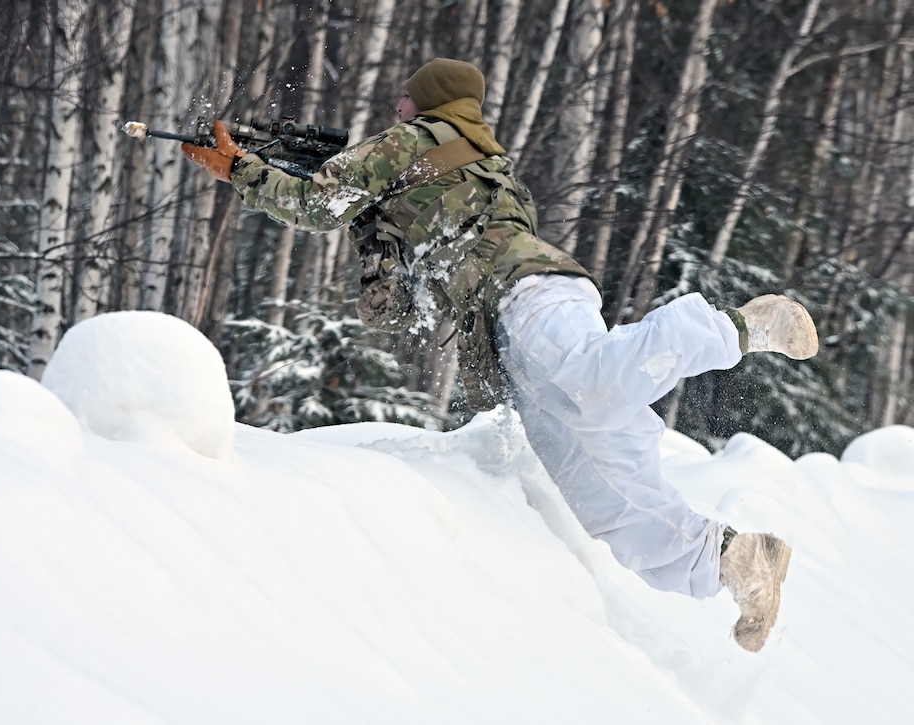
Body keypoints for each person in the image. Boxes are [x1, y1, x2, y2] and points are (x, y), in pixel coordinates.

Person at [181, 58, 816, 652]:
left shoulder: (418, 138)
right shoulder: (479, 161)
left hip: (530, 296)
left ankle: (741, 327)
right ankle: (737, 560)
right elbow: (396, 293)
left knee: (596, 377)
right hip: (514, 328)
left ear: (430, 100)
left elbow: (319, 203)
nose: (395, 107)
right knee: (604, 496)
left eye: (405, 96)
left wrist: (238, 168)